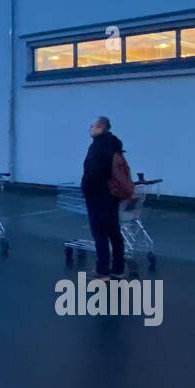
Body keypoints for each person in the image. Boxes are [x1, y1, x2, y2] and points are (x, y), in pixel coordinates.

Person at [81, 116, 125, 278]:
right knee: (114, 231)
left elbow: (92, 172)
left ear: (101, 128)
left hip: (98, 195)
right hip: (113, 194)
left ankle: (102, 270)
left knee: (100, 233)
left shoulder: (97, 147)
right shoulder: (115, 144)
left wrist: (86, 189)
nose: (91, 128)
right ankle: (118, 268)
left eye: (92, 126)